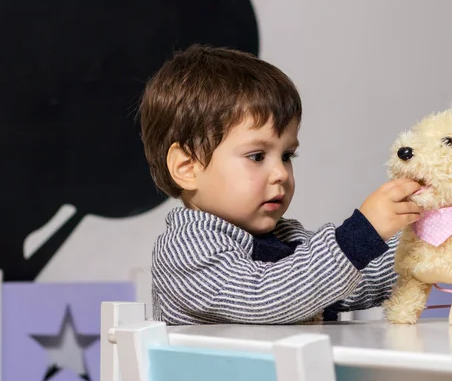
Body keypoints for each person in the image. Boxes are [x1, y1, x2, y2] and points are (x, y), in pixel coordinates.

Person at [139, 44, 422, 325]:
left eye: (286, 156)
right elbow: (263, 297)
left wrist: (423, 241)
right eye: (257, 156)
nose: (281, 173)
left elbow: (352, 283)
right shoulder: (186, 249)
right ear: (187, 168)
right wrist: (359, 236)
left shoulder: (287, 238)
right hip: (223, 372)